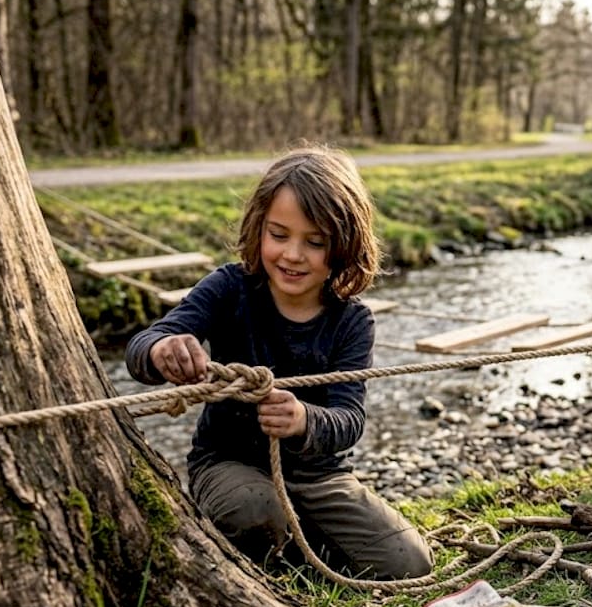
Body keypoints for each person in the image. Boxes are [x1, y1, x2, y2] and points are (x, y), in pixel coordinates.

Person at [125, 146, 432, 580]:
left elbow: (350, 420)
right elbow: (144, 345)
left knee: (410, 563)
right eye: (279, 234)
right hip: (229, 463)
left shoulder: (353, 321)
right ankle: (273, 537)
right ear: (259, 228)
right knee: (256, 510)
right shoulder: (229, 288)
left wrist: (303, 419)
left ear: (344, 246)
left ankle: (300, 541)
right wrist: (163, 351)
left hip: (320, 476)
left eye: (315, 242)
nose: (292, 254)